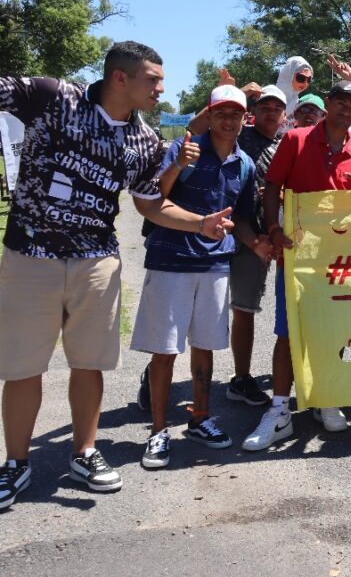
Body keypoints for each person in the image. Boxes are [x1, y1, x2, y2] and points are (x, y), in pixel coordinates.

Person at [0, 42, 234, 509]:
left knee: (89, 363)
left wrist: (200, 223)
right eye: (153, 80)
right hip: (30, 256)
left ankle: (84, 453)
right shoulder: (53, 96)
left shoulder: (144, 141)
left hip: (97, 262)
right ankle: (16, 463)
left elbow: (151, 204)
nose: (161, 89)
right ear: (120, 77)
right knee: (23, 366)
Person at [241, 80, 351, 451]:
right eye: (341, 102)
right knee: (288, 332)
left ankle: (325, 396)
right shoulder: (295, 139)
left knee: (334, 331)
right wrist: (273, 228)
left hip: (339, 261)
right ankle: (279, 410)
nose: (346, 110)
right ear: (328, 103)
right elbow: (273, 186)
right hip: (297, 255)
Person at [131, 86, 260, 469]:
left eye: (236, 114)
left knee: (205, 346)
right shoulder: (184, 149)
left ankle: (200, 418)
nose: (228, 120)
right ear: (210, 114)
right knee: (165, 350)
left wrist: (258, 244)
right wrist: (176, 164)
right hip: (171, 261)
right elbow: (155, 197)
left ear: (244, 119)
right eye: (221, 112)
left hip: (215, 264)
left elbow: (242, 218)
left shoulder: (245, 164)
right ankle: (158, 431)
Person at [220, 84, 288, 407]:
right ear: (253, 111)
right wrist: (235, 91)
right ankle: (240, 378)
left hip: (267, 235)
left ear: (284, 114)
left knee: (252, 308)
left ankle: (247, 377)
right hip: (234, 232)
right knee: (224, 308)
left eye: (277, 109)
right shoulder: (239, 135)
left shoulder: (284, 144)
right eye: (265, 107)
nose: (271, 113)